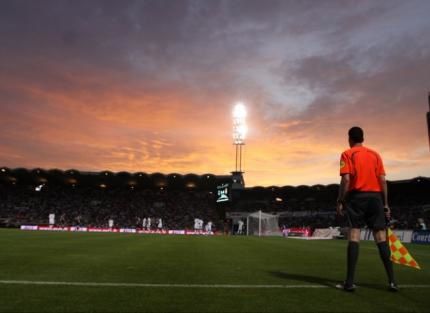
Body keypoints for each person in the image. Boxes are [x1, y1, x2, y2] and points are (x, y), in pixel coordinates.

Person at [336, 126, 398, 292]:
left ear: (350, 139)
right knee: (381, 238)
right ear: (363, 138)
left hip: (357, 198)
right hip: (376, 198)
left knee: (354, 235)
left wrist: (341, 200)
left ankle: (349, 283)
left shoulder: (347, 154)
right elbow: (383, 180)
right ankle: (392, 281)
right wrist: (385, 204)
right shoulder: (375, 154)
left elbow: (347, 180)